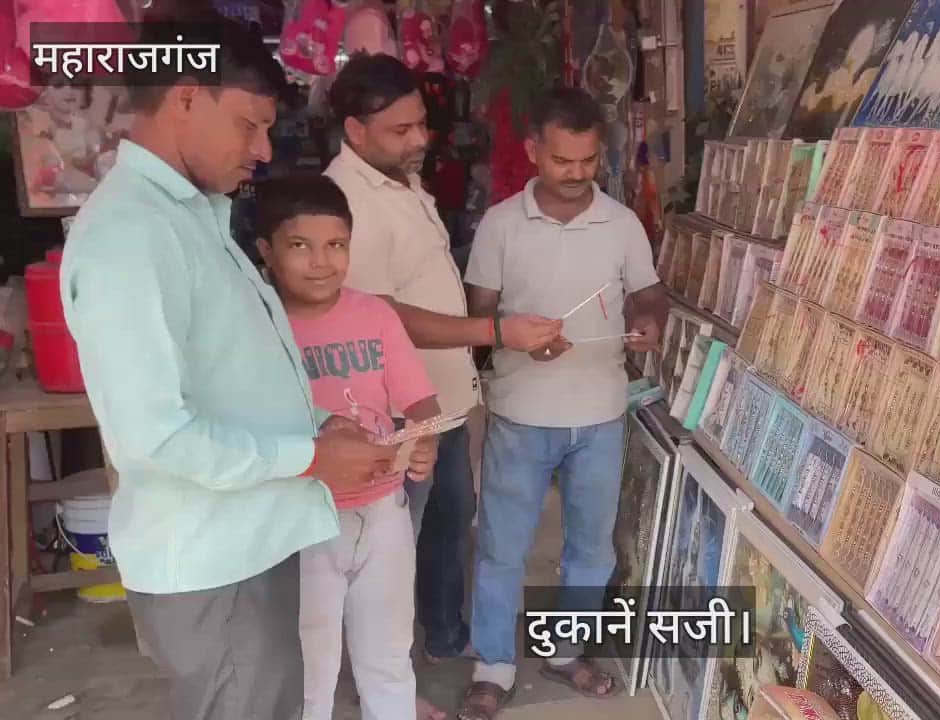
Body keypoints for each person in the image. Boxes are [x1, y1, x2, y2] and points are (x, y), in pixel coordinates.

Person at [59, 17, 431, 720]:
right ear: (187, 99)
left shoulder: (194, 215)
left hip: (247, 538)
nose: (262, 151)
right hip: (212, 559)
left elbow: (228, 372)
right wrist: (310, 457)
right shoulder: (130, 237)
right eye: (248, 125)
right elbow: (154, 436)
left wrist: (321, 425)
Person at [323, 53, 563, 672]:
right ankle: (390, 670)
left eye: (420, 124)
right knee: (397, 539)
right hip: (397, 411)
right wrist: (492, 330)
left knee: (447, 525)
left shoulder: (400, 178)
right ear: (355, 131)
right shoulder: (350, 199)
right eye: (400, 130)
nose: (419, 139)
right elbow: (379, 315)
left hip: (442, 398)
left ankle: (443, 636)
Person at [459, 87, 667, 720]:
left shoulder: (622, 222)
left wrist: (647, 322)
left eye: (588, 161)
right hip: (522, 412)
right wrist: (517, 339)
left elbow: (649, 294)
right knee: (501, 545)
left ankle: (564, 649)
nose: (577, 175)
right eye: (561, 161)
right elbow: (478, 317)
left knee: (592, 548)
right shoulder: (500, 223)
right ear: (532, 153)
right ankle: (492, 665)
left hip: (601, 412)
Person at [255, 175, 447, 720]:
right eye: (300, 246)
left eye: (336, 245)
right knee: (310, 671)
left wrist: (424, 436)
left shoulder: (375, 315)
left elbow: (420, 402)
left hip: (385, 512)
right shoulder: (260, 327)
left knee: (388, 657)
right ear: (267, 251)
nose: (321, 261)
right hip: (301, 519)